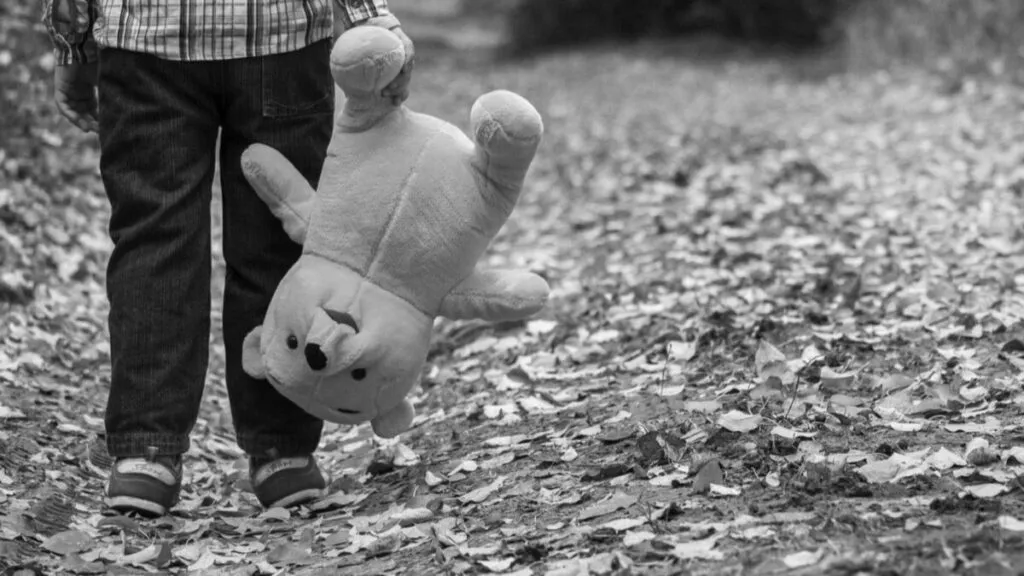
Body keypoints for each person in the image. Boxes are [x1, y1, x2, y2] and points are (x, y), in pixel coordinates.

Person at [42, 0, 415, 517]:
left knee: (155, 241)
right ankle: (282, 452)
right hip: (279, 37)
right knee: (279, 239)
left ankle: (146, 454)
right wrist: (370, 17)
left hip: (148, 39)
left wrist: (72, 42)